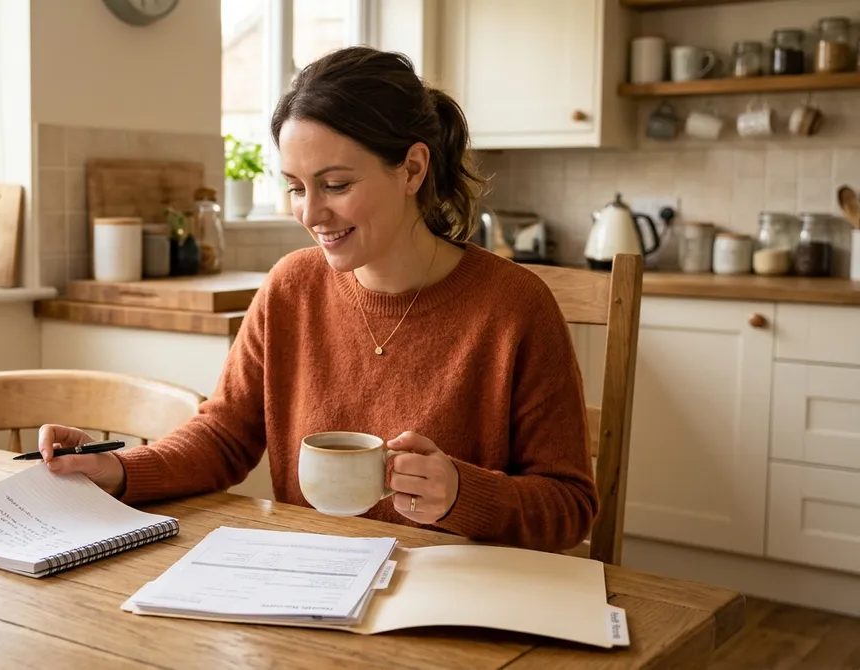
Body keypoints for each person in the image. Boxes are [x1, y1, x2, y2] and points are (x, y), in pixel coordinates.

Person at [38, 46, 597, 553]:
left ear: (412, 169)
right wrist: (116, 468)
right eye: (296, 187)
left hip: (454, 607)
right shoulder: (290, 288)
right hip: (312, 589)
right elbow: (223, 437)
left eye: (335, 185)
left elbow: (569, 508)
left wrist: (462, 494)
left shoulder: (516, 306)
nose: (310, 214)